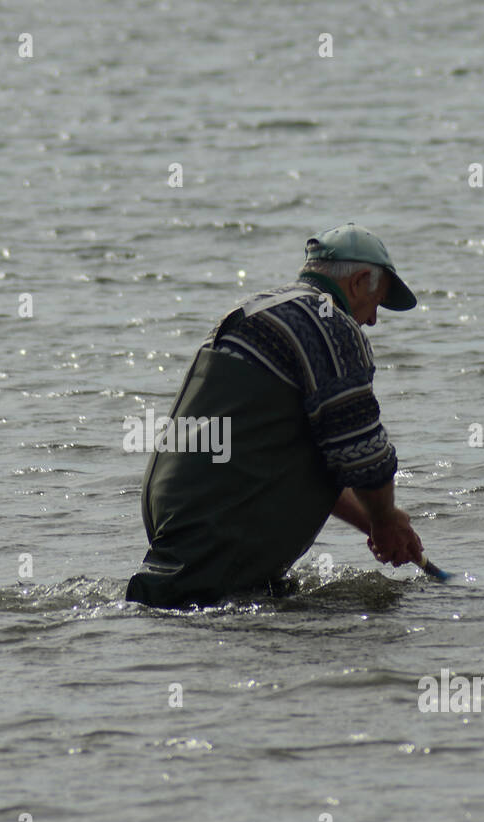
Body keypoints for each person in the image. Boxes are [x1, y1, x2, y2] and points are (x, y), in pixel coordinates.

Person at [125, 223, 425, 608]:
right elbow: (364, 455)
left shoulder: (252, 310)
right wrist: (385, 519)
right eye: (377, 302)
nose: (372, 321)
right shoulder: (332, 325)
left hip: (177, 514)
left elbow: (309, 459)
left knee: (172, 609)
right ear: (360, 280)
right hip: (222, 526)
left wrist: (376, 523)